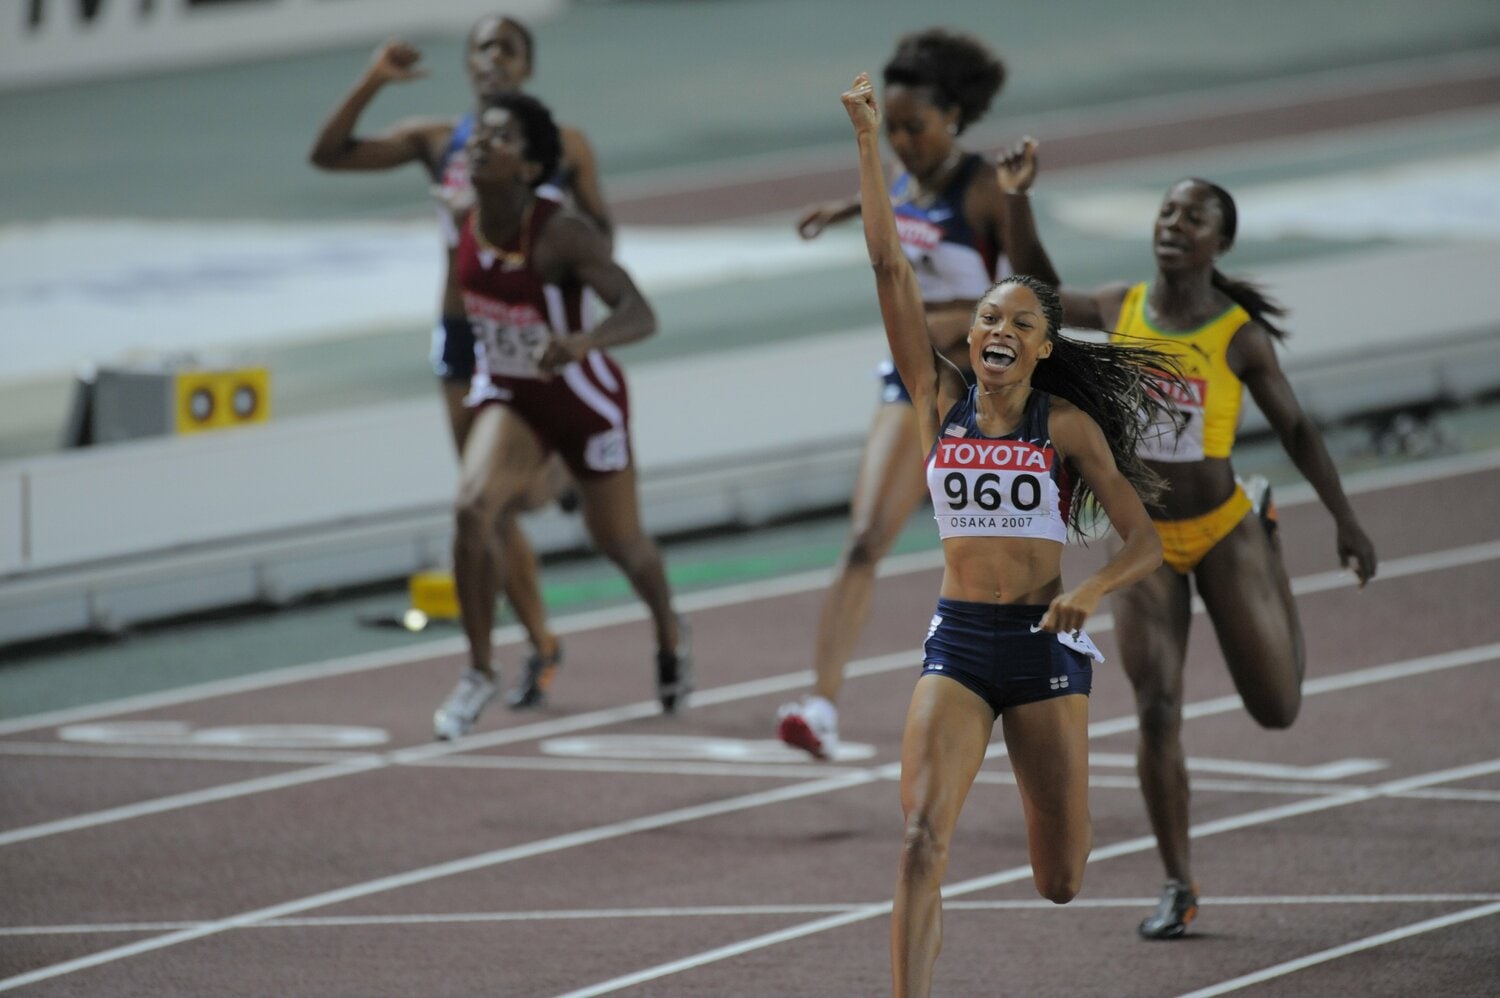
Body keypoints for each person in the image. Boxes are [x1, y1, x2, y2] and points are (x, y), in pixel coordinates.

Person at [840, 73, 1171, 996]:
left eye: (1020, 323)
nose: (997, 328)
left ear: (1041, 349)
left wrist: (1090, 592)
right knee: (917, 838)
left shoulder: (1064, 427)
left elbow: (1144, 544)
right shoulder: (935, 397)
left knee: (1060, 880)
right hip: (958, 643)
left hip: (1043, 645)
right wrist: (867, 141)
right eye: (988, 315)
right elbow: (887, 269)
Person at [995, 149, 1379, 938]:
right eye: (1167, 212)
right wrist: (1018, 199)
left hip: (1224, 529)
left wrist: (1345, 520)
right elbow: (1037, 293)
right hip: (1143, 540)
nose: (1174, 225)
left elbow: (1297, 427)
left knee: (1277, 709)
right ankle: (1178, 883)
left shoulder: (1238, 336)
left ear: (1219, 245)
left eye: (1193, 217)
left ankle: (1267, 549)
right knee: (1157, 706)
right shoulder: (1121, 304)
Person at [309, 17, 611, 712]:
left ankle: (558, 474)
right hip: (463, 336)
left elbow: (605, 234)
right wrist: (374, 80)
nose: (493, 58)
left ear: (528, 65)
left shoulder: (564, 148)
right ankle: (541, 642)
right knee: (484, 510)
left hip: (538, 333)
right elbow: (329, 155)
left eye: (507, 48)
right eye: (482, 48)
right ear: (469, 65)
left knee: (516, 497)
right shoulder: (438, 140)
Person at [779, 28, 1025, 760]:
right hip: (913, 380)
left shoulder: (984, 190)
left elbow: (1030, 295)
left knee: (997, 562)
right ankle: (820, 705)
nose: (906, 143)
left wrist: (948, 319)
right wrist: (841, 208)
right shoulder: (901, 175)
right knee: (863, 540)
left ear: (954, 117)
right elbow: (900, 211)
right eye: (897, 129)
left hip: (989, 392)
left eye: (917, 128)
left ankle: (1022, 696)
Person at [433, 93, 690, 740]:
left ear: (528, 168)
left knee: (620, 544)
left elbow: (640, 312)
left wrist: (583, 341)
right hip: (512, 396)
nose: (480, 144)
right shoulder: (464, 216)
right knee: (471, 509)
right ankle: (478, 671)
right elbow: (465, 302)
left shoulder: (561, 231)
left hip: (584, 401)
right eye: (479, 133)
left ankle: (668, 630)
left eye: (500, 138)